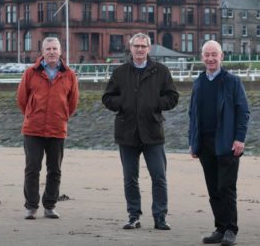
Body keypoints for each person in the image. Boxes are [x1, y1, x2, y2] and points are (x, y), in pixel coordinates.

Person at [102, 33, 179, 231]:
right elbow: (107, 98)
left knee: (159, 177)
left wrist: (155, 104)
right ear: (131, 48)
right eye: (136, 46)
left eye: (143, 46)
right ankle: (133, 215)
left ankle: (160, 217)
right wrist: (124, 104)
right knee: (130, 178)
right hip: (126, 132)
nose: (140, 50)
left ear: (149, 48)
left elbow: (172, 96)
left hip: (153, 132)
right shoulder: (120, 72)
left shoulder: (160, 71)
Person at [188, 40, 250, 246]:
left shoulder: (232, 81)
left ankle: (231, 229)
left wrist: (240, 138)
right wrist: (192, 141)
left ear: (221, 57)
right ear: (202, 57)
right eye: (207, 55)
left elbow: (243, 111)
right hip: (204, 143)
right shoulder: (198, 82)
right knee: (213, 188)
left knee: (226, 187)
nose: (210, 58)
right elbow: (193, 114)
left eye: (214, 54)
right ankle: (220, 228)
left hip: (227, 142)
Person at [17, 37, 79, 220]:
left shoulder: (69, 74)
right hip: (33, 129)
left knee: (55, 169)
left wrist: (61, 117)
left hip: (57, 128)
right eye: (48, 49)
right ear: (42, 52)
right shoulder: (30, 73)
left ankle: (50, 205)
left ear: (60, 51)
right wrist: (31, 114)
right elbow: (22, 99)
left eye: (54, 49)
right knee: (32, 168)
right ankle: (31, 206)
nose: (52, 52)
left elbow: (73, 102)